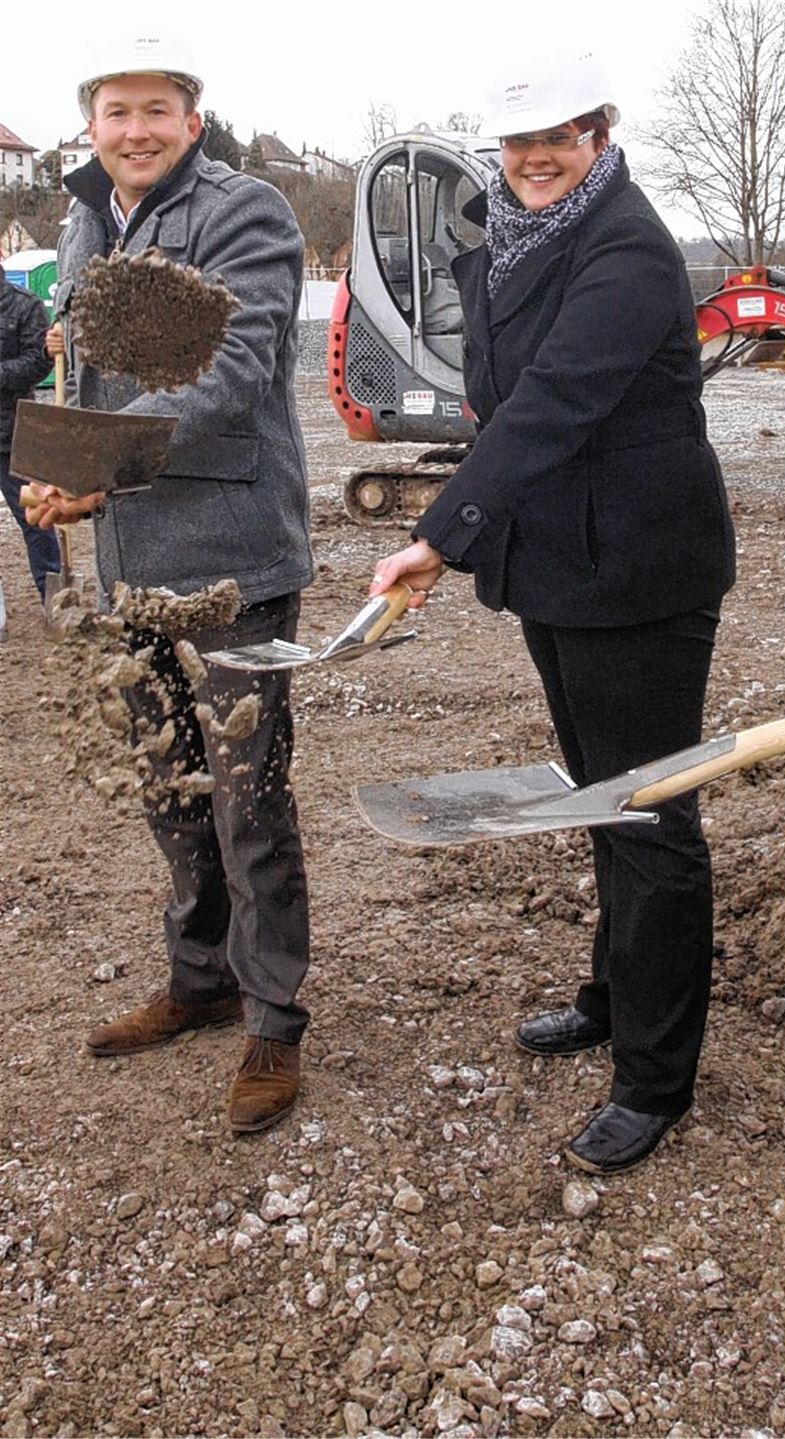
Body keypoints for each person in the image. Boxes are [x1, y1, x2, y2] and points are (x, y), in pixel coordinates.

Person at [372, 52, 736, 1174]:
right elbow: (496, 400)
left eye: (559, 138)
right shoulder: (503, 246)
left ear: (601, 134)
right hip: (558, 564)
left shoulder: (627, 247)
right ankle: (615, 995)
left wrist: (439, 534)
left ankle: (655, 1078)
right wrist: (479, 529)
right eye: (518, 143)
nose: (535, 160)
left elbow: (551, 406)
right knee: (595, 796)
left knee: (647, 811)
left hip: (640, 572)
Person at [25, 34, 314, 1134]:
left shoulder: (249, 215)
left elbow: (233, 377)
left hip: (230, 556)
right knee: (169, 786)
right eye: (115, 111)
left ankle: (275, 1019)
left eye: (157, 109)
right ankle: (202, 977)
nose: (135, 130)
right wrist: (61, 466)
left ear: (192, 119)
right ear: (89, 123)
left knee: (248, 799)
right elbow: (83, 372)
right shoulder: (85, 217)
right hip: (130, 562)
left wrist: (96, 470)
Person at [0, 268, 60, 602]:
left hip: (13, 435)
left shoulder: (25, 306)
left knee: (36, 521)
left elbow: (40, 364)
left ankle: (54, 599)